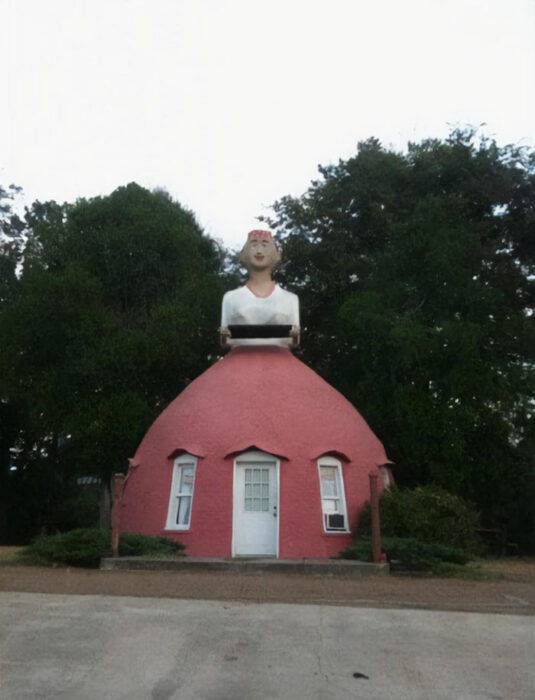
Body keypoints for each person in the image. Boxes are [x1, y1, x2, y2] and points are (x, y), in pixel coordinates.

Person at [220, 230, 300, 348]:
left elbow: (295, 342)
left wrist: (294, 335)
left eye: (264, 245)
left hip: (279, 362)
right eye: (253, 245)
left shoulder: (290, 299)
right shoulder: (230, 298)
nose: (259, 251)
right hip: (240, 361)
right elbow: (224, 342)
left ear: (275, 254)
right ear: (244, 254)